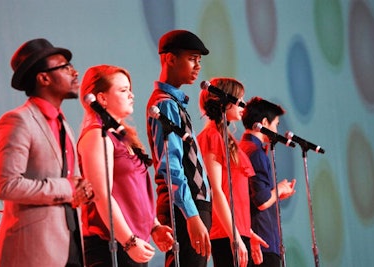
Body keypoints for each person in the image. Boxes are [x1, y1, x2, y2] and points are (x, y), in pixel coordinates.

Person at [0, 38, 94, 267]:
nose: (74, 72)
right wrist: (68, 188)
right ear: (44, 78)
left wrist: (83, 190)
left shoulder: (64, 124)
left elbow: (71, 181)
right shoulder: (18, 120)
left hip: (70, 242)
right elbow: (7, 185)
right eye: (65, 67)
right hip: (34, 250)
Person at [77, 65, 173, 267]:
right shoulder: (97, 135)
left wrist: (153, 226)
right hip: (111, 246)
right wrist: (128, 241)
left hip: (131, 244)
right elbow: (102, 195)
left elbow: (132, 190)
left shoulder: (119, 136)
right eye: (123, 90)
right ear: (102, 98)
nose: (132, 95)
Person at [146, 29, 212, 267]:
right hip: (185, 204)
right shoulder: (164, 104)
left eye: (199, 61)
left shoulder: (175, 103)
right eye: (192, 58)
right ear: (170, 59)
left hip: (195, 201)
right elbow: (171, 165)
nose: (197, 66)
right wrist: (191, 213)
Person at [197, 77, 268, 267]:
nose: (243, 105)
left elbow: (235, 192)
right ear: (224, 101)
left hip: (239, 231)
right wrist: (234, 235)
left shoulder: (227, 138)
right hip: (226, 233)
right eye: (239, 99)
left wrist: (248, 233)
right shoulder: (211, 137)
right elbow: (216, 190)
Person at [239, 97, 297, 267]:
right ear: (264, 122)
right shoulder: (255, 152)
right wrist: (278, 189)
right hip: (262, 240)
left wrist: (277, 194)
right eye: (276, 124)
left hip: (253, 238)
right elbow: (262, 201)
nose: (277, 130)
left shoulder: (242, 148)